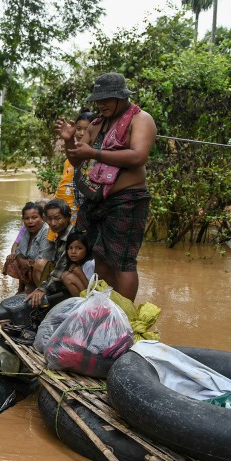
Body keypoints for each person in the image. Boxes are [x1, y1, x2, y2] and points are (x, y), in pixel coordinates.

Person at [54, 73, 155, 301]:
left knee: (123, 261)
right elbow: (77, 159)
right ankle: (105, 309)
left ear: (121, 97)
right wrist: (70, 140)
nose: (101, 104)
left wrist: (95, 153)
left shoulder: (141, 119)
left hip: (127, 200)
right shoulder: (96, 124)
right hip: (98, 199)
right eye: (98, 100)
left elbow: (139, 156)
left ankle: (125, 315)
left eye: (107, 99)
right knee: (100, 256)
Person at [27, 199, 75, 307]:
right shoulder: (61, 234)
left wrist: (42, 289)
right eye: (49, 219)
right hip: (63, 278)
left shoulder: (72, 238)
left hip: (73, 282)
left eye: (57, 218)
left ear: (68, 218)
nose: (53, 223)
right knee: (40, 264)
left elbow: (60, 269)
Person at [53, 109, 95, 225]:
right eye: (79, 129)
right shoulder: (71, 157)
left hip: (90, 214)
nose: (81, 133)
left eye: (87, 129)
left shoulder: (98, 155)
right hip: (71, 213)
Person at [4, 201, 53, 292]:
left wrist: (28, 262)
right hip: (29, 262)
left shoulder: (46, 231)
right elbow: (19, 250)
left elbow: (43, 258)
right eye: (27, 218)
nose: (30, 221)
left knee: (36, 265)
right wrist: (21, 260)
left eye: (34, 218)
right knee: (11, 260)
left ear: (42, 217)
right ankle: (24, 288)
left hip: (44, 269)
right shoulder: (27, 230)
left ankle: (40, 291)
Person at [60, 230, 93, 297]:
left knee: (68, 277)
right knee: (64, 275)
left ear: (87, 249)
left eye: (79, 248)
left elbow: (93, 290)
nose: (73, 252)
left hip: (93, 297)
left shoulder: (90, 264)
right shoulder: (77, 263)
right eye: (70, 248)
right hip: (87, 294)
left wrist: (79, 273)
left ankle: (81, 305)